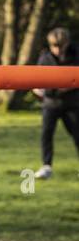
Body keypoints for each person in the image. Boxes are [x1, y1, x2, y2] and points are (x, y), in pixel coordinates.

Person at [31, 26, 79, 179]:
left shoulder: (76, 55)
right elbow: (37, 79)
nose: (57, 49)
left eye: (61, 46)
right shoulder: (45, 58)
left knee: (77, 134)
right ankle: (46, 166)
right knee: (46, 134)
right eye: (54, 46)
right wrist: (37, 89)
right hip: (51, 103)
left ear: (67, 43)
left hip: (72, 103)